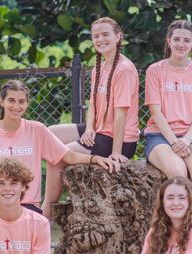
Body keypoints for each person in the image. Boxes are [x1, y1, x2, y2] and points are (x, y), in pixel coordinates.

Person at [0, 80, 119, 215]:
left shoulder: (37, 130)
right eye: (11, 100)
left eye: (21, 101)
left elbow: (67, 156)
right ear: (1, 101)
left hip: (27, 205)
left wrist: (95, 159)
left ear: (27, 104)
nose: (16, 106)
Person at [43, 16, 139, 219]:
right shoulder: (99, 68)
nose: (100, 39)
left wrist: (116, 152)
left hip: (118, 140)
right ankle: (34, 200)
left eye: (105, 34)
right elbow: (93, 105)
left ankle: (47, 212)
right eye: (96, 36)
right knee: (48, 135)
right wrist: (89, 129)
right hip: (99, 131)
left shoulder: (124, 70)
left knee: (57, 156)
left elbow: (120, 115)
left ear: (118, 36)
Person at [142, 20, 192, 215]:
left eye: (186, 40)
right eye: (177, 39)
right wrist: (175, 142)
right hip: (160, 135)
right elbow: (156, 112)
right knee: (178, 171)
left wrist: (187, 139)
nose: (181, 44)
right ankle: (178, 223)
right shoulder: (155, 70)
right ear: (168, 41)